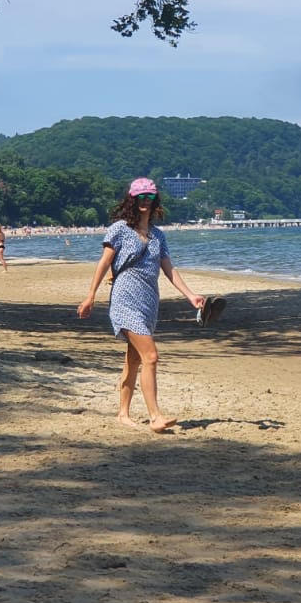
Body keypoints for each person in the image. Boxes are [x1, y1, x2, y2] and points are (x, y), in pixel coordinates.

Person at [78, 179, 205, 432]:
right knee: (151, 356)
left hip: (149, 302)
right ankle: (155, 416)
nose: (145, 201)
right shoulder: (119, 229)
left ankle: (122, 414)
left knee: (133, 361)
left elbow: (169, 270)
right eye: (140, 197)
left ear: (155, 200)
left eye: (150, 196)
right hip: (125, 299)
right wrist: (90, 295)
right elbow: (103, 264)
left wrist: (191, 296)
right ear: (132, 199)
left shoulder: (159, 236)